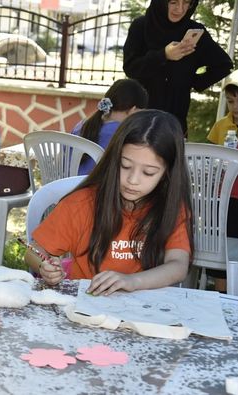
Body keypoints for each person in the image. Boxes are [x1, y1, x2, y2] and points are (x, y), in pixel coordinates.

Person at [25, 110, 194, 296]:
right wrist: (44, 266)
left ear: (167, 174)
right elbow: (34, 250)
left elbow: (178, 265)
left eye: (149, 172)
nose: (133, 180)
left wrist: (132, 281)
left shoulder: (172, 209)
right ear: (114, 160)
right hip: (86, 304)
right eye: (126, 166)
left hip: (146, 308)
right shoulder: (82, 203)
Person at [123, 0, 232, 135]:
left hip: (175, 123)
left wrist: (192, 81)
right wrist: (163, 55)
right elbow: (130, 67)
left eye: (186, 3)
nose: (180, 9)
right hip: (141, 120)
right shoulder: (141, 26)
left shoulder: (195, 32)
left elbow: (223, 65)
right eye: (173, 2)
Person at [72, 78, 148, 174]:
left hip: (64, 184)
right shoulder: (123, 134)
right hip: (95, 187)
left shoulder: (82, 125)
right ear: (133, 110)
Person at [205, 70, 238, 292]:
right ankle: (221, 292)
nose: (234, 107)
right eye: (230, 101)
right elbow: (212, 157)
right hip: (224, 195)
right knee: (221, 245)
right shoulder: (221, 125)